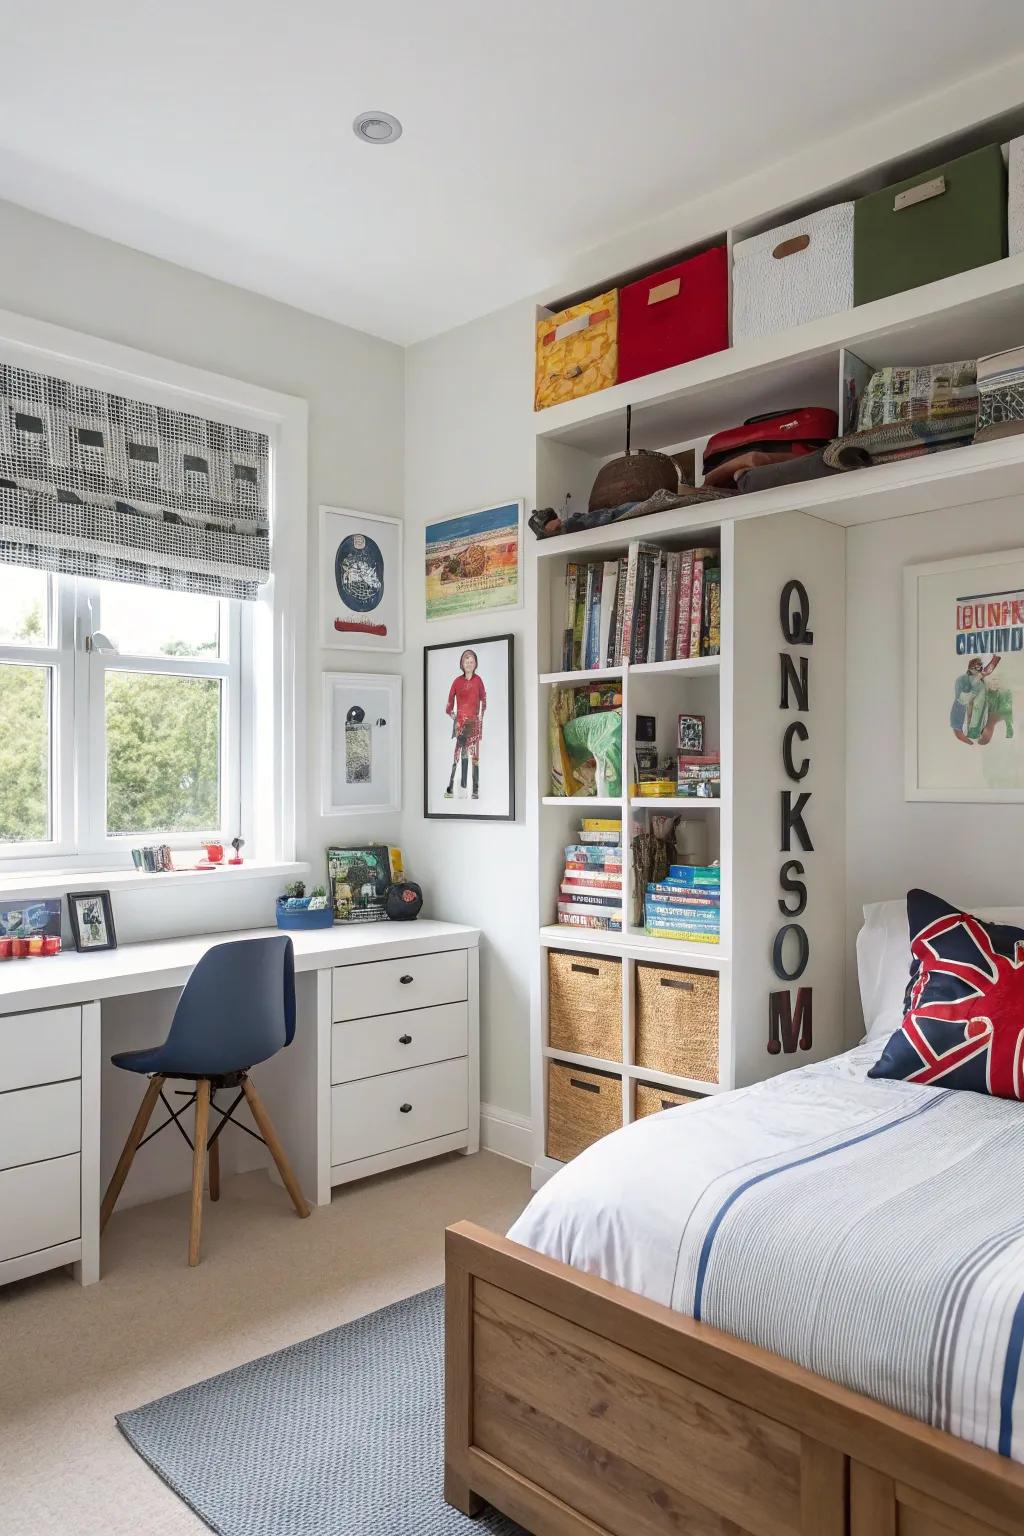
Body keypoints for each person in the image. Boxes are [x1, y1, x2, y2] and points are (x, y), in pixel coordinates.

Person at [445, 648, 486, 800]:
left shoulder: (478, 680)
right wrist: (456, 719)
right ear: (462, 664)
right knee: (459, 755)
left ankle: (475, 790)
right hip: (461, 725)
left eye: (471, 661)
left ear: (475, 663)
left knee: (474, 756)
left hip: (474, 724)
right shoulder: (457, 681)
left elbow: (484, 701)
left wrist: (480, 720)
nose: (469, 664)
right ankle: (453, 788)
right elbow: (449, 706)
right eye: (466, 661)